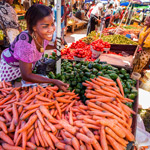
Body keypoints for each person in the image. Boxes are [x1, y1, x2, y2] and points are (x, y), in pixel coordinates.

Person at [0, 4, 69, 91]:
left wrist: (53, 46)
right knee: (10, 92)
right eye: (45, 26)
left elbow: (40, 47)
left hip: (25, 69)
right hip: (11, 70)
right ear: (34, 27)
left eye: (52, 24)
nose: (51, 29)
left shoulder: (42, 35)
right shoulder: (25, 44)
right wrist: (53, 81)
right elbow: (26, 75)